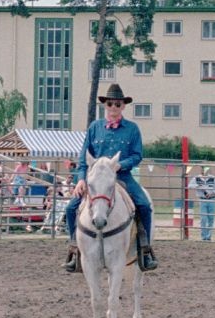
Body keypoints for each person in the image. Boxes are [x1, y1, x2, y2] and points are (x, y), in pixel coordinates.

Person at [63, 83, 158, 272]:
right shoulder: (94, 127)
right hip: (96, 179)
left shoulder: (132, 128)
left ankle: (144, 249)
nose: (113, 108)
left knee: (144, 205)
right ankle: (75, 249)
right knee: (71, 208)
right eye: (110, 104)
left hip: (122, 176)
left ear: (123, 106)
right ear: (105, 106)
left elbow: (137, 155)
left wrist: (121, 164)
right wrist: (81, 179)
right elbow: (84, 157)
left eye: (117, 104)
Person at [189, 165, 215, 242]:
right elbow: (189, 186)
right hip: (202, 199)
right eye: (203, 169)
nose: (204, 171)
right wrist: (198, 186)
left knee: (210, 218)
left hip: (212, 199)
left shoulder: (213, 178)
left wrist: (211, 193)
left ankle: (208, 236)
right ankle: (204, 236)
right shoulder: (197, 178)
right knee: (203, 218)